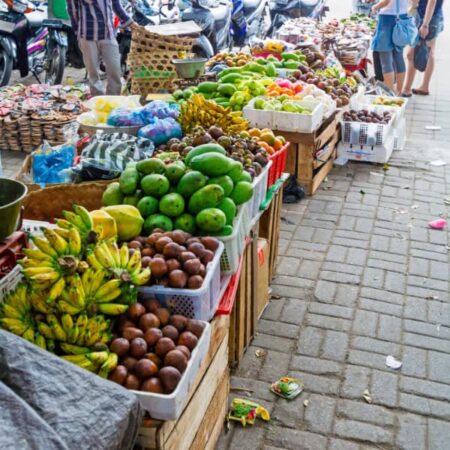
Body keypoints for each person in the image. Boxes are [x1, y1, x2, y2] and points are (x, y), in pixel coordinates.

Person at [66, 0, 138, 96]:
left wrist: (131, 23)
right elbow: (73, 12)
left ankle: (113, 100)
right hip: (87, 36)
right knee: (93, 74)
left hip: (108, 35)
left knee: (115, 70)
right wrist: (78, 32)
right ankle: (98, 101)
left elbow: (116, 6)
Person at [402, 0, 444, 96]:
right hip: (431, 16)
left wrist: (425, 24)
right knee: (429, 52)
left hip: (428, 18)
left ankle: (407, 89)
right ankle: (424, 87)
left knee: (412, 54)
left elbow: (432, 1)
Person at [371, 0, 410, 94]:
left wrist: (375, 7)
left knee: (385, 61)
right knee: (398, 57)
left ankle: (390, 93)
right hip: (402, 17)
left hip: (387, 19)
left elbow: (386, 1)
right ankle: (399, 92)